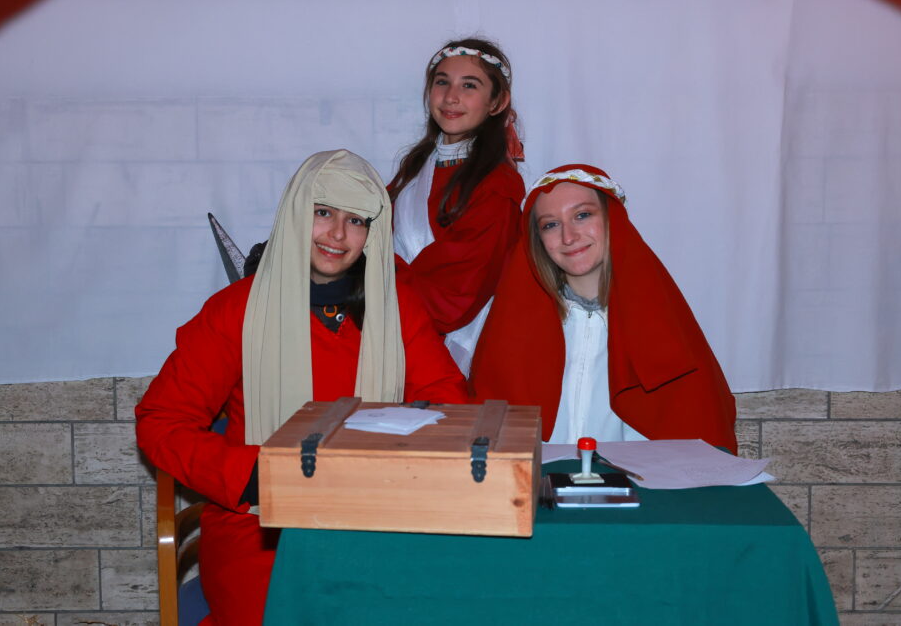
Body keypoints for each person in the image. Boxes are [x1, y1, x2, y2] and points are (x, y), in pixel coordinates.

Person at [136, 150, 468, 625]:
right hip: (260, 522)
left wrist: (396, 459)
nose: (338, 235)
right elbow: (161, 422)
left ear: (373, 233)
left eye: (356, 220)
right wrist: (252, 474)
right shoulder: (235, 311)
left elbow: (451, 407)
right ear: (295, 212)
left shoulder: (398, 307)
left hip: (375, 514)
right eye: (323, 212)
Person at [469, 165, 737, 453]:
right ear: (538, 240)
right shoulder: (510, 326)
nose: (568, 237)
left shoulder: (662, 320)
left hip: (635, 479)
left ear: (612, 220)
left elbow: (700, 432)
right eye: (550, 224)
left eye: (582, 215)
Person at [389, 37, 526, 374]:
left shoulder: (497, 186)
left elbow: (456, 295)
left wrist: (370, 284)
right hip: (398, 330)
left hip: (461, 347)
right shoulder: (414, 169)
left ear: (497, 102)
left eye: (469, 85)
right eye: (442, 82)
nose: (451, 96)